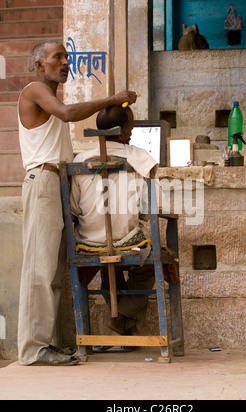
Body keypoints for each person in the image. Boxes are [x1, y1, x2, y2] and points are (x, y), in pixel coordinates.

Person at [17, 39, 137, 366]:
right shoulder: (33, 91)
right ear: (40, 65)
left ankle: (52, 344)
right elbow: (69, 114)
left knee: (54, 272)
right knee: (39, 271)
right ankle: (33, 349)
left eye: (67, 57)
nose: (65, 62)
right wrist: (112, 99)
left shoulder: (49, 99)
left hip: (56, 184)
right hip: (42, 181)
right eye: (58, 57)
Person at [70, 105, 158, 339]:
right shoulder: (141, 158)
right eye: (129, 125)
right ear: (124, 132)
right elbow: (148, 210)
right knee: (148, 263)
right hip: (125, 239)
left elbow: (74, 208)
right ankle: (123, 317)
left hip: (89, 241)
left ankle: (123, 321)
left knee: (106, 263)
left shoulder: (80, 161)